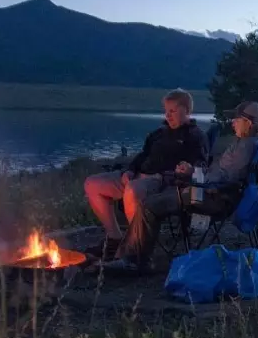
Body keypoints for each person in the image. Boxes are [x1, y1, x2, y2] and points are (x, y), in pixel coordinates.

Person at [102, 101, 258, 274]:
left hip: (213, 197)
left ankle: (133, 260)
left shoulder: (245, 147)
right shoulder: (252, 141)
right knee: (155, 200)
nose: (232, 122)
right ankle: (131, 255)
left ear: (248, 122)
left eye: (236, 119)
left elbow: (224, 179)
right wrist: (194, 171)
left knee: (149, 205)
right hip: (216, 191)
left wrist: (193, 175)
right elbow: (221, 174)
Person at [82, 89, 208, 260]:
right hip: (138, 175)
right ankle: (115, 239)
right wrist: (130, 170)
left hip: (163, 182)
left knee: (133, 190)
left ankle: (135, 251)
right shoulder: (158, 133)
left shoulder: (195, 136)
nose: (167, 115)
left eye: (172, 111)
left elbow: (201, 165)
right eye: (166, 111)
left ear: (186, 110)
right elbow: (143, 155)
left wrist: (189, 169)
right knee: (92, 184)